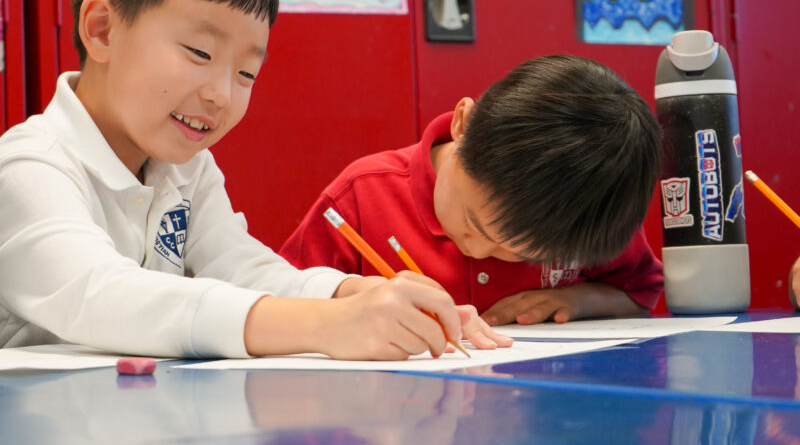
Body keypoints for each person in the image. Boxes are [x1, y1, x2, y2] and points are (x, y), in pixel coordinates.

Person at [0, 0, 510, 360]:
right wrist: (327, 323)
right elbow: (104, 296)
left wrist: (357, 292)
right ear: (102, 29)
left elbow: (241, 267)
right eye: (199, 53)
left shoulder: (183, 167)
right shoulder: (30, 166)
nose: (221, 95)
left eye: (246, 73)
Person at [279, 55, 664, 326]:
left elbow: (639, 290)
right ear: (463, 124)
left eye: (520, 254)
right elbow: (281, 303)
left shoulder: (585, 208)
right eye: (472, 223)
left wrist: (580, 300)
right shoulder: (362, 196)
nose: (477, 250)